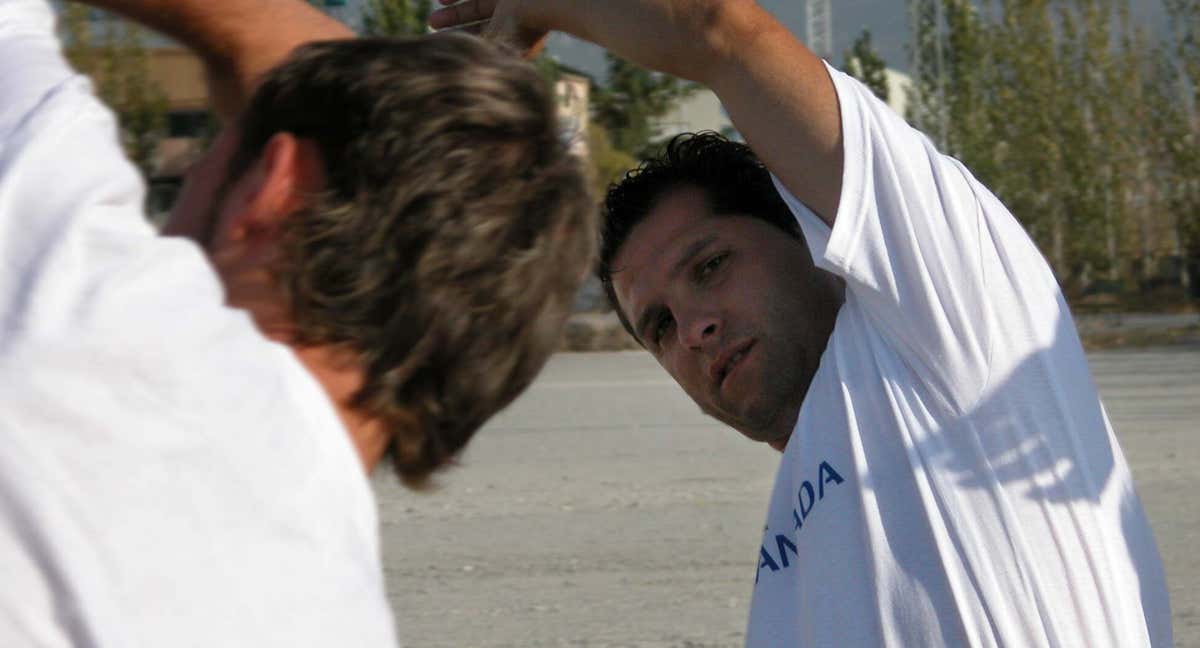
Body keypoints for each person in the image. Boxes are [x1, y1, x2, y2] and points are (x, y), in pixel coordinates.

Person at [432, 1, 1173, 645]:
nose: (692, 330)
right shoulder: (801, 533)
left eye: (710, 266)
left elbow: (719, 30)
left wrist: (540, 7)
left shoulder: (945, 320)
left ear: (811, 235)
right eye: (658, 325)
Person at [0, 0, 594, 644]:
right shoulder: (338, 616)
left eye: (205, 169)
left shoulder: (119, 343)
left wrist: (253, 24)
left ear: (273, 191)